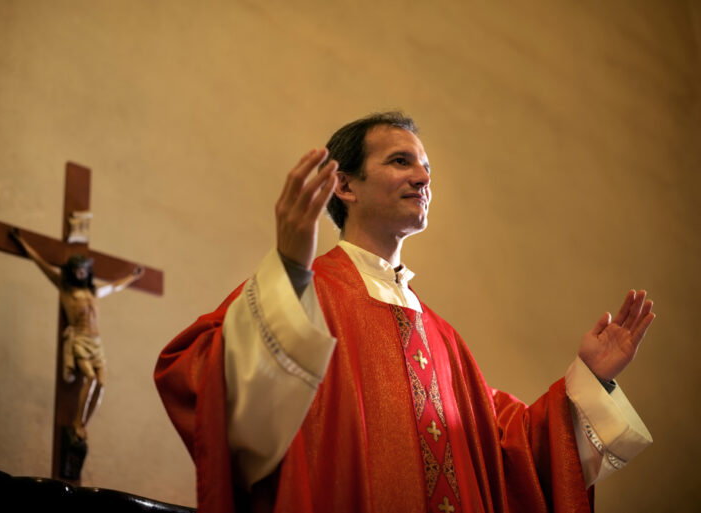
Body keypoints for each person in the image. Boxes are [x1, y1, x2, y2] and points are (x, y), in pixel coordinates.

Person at [155, 112, 655, 512]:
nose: (422, 178)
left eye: (426, 169)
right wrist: (288, 267)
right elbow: (202, 378)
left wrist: (589, 381)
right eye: (400, 162)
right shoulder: (304, 297)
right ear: (345, 187)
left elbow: (509, 448)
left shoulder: (443, 339)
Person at [10, 228, 144, 441]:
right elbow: (42, 266)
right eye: (77, 269)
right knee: (89, 379)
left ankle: (83, 425)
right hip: (80, 340)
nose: (81, 272)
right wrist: (23, 243)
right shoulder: (66, 291)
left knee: (101, 383)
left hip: (96, 342)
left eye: (84, 269)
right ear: (72, 271)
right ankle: (75, 421)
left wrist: (131, 277)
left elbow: (114, 287)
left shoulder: (93, 292)